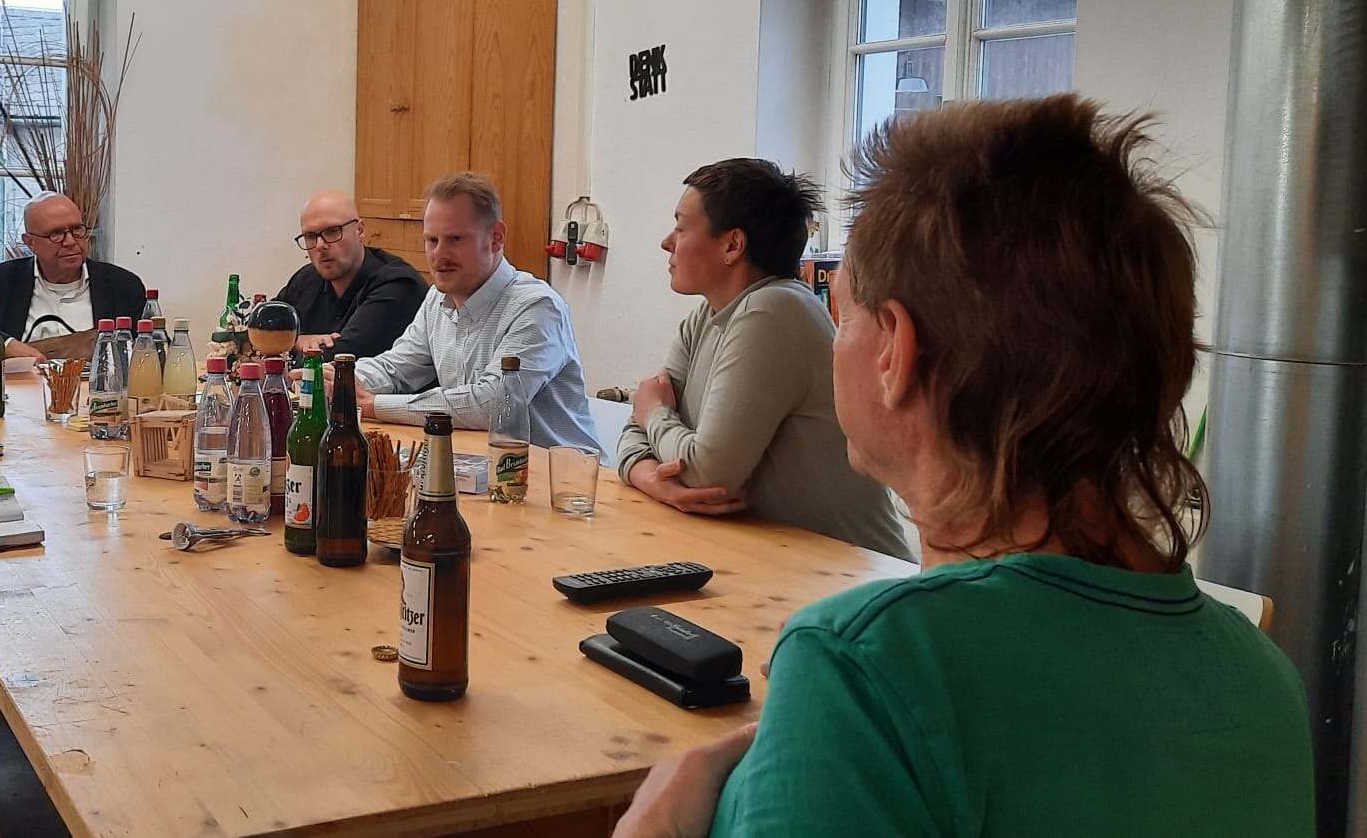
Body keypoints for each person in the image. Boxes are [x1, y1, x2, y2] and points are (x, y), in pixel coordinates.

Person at [613, 97, 1315, 838]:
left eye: (842, 314)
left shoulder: (861, 664)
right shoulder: (1266, 677)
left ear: (896, 351)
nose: (831, 340)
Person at [616, 159, 910, 559]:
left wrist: (654, 414)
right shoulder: (707, 316)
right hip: (779, 562)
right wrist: (654, 480)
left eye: (681, 228)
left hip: (857, 572)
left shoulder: (774, 310)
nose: (667, 242)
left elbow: (706, 472)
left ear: (732, 245)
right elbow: (635, 433)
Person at [351, 172, 596, 449]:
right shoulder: (437, 299)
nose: (439, 255)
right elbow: (396, 368)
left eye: (455, 239)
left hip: (557, 472)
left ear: (496, 238)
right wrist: (342, 380)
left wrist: (374, 405)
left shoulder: (537, 307)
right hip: (479, 464)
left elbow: (493, 404)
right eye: (432, 240)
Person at [0, 192, 146, 357]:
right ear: (30, 243)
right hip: (19, 392)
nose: (70, 241)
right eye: (56, 234)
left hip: (97, 394)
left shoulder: (122, 286)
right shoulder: (2, 281)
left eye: (77, 230)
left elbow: (148, 350)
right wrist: (6, 345)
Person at [274, 190, 427, 360]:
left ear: (359, 231)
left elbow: (341, 360)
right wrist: (296, 341)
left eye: (332, 231)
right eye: (310, 236)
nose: (320, 245)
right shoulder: (307, 279)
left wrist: (285, 344)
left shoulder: (398, 285)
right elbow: (260, 329)